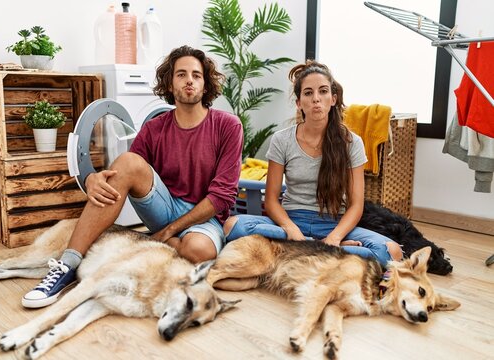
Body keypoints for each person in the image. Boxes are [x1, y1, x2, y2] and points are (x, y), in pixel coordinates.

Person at [22, 45, 243, 308]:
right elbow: (125, 170)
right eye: (181, 74)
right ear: (170, 84)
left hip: (204, 216)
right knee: (128, 160)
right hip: (164, 206)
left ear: (205, 85)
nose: (189, 81)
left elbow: (221, 197)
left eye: (196, 75)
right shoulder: (154, 128)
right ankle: (66, 266)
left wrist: (168, 232)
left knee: (199, 251)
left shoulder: (228, 126)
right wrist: (93, 178)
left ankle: (160, 242)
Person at [224, 60, 402, 267]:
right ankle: (327, 250)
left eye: (323, 91)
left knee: (392, 251)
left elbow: (356, 205)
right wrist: (291, 230)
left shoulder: (352, 142)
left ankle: (303, 249)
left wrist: (335, 238)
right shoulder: (281, 139)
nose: (316, 99)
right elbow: (271, 200)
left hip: (333, 224)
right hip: (290, 222)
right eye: (308, 93)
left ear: (333, 99)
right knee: (232, 225)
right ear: (299, 103)